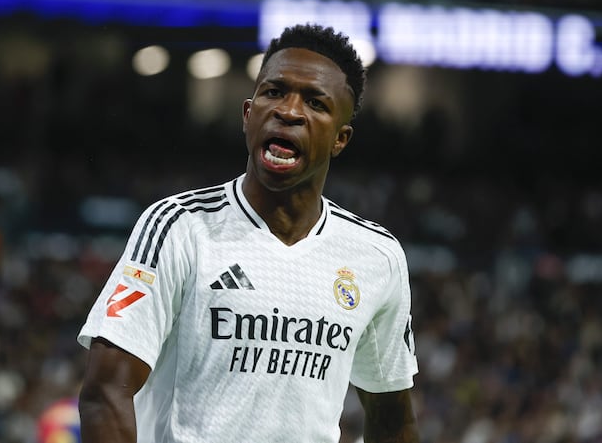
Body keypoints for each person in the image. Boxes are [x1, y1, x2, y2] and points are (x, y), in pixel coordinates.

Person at [76, 23, 419, 443]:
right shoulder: (179, 226)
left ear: (340, 139)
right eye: (274, 92)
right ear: (247, 114)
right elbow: (105, 392)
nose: (289, 111)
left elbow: (392, 419)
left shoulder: (375, 256)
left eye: (315, 102)